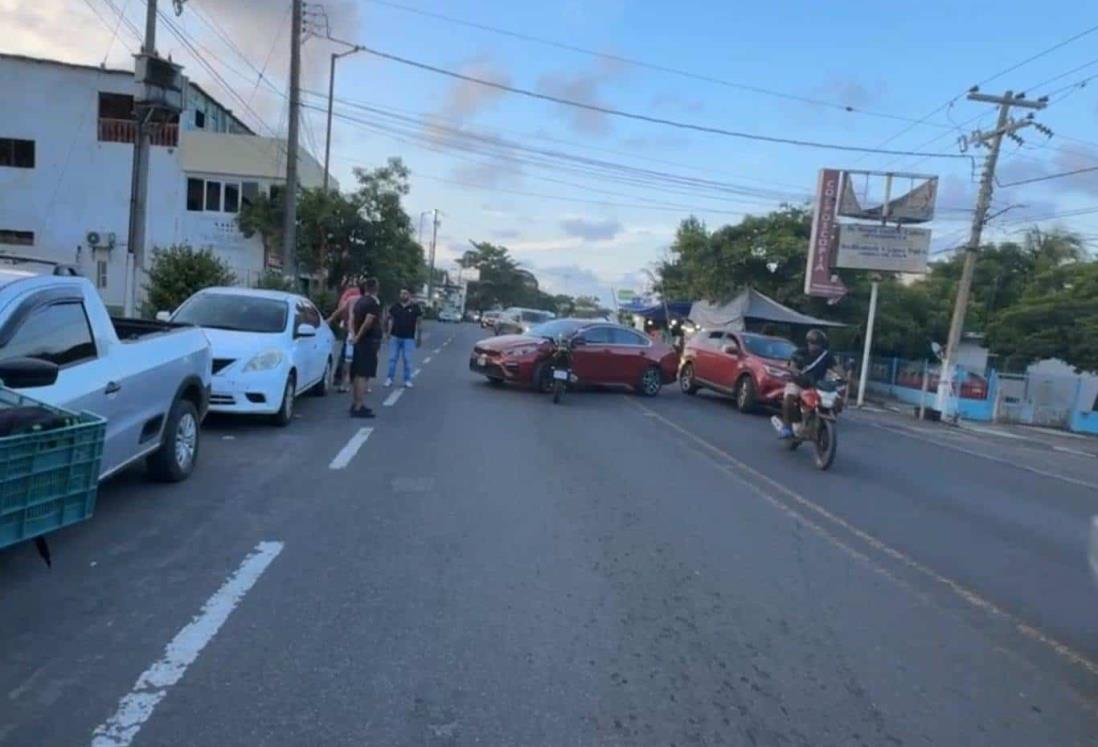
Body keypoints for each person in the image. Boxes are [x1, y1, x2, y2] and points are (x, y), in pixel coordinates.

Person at [778, 328, 834, 439]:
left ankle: (814, 425)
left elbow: (837, 368)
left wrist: (845, 377)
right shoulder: (800, 352)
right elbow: (792, 365)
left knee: (829, 402)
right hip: (798, 383)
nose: (815, 346)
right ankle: (787, 427)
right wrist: (795, 371)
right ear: (808, 342)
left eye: (818, 344)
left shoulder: (826, 356)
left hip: (815, 386)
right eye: (812, 343)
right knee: (789, 398)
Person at [349, 278, 382, 418]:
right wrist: (358, 336)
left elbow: (352, 319)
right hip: (368, 342)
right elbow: (368, 322)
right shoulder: (372, 303)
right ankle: (358, 406)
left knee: (357, 373)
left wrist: (353, 335)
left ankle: (356, 403)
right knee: (363, 375)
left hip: (360, 342)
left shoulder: (359, 301)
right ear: (375, 288)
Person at [327, 281, 362, 393]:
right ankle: (359, 382)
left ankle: (343, 382)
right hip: (360, 332)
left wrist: (330, 320)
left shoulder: (350, 298)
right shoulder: (366, 300)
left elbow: (340, 310)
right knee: (357, 357)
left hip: (350, 331)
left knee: (347, 357)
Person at [385, 289, 421, 388]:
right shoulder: (395, 306)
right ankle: (389, 378)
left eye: (405, 293)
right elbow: (390, 319)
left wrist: (418, 337)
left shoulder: (415, 307)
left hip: (409, 338)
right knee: (392, 359)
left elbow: (419, 322)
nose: (403, 295)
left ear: (409, 295)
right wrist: (388, 332)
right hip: (395, 336)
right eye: (401, 293)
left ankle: (407, 380)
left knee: (407, 359)